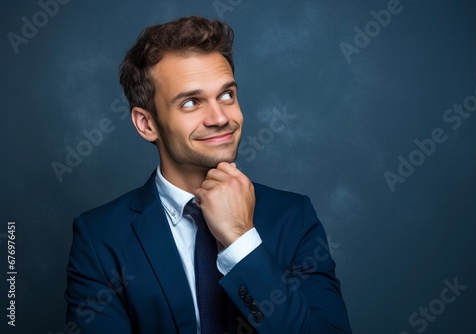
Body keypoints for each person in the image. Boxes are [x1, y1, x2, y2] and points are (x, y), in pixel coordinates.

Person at [65, 16, 351, 334]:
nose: (220, 117)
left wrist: (241, 241)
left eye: (227, 95)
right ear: (147, 124)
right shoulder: (100, 237)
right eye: (191, 102)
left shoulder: (294, 218)